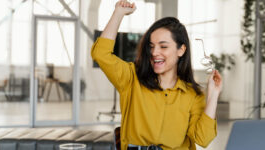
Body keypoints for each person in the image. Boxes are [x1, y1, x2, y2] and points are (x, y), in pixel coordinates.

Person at [91, 0, 222, 149]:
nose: (154, 52)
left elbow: (203, 139)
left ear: (181, 50)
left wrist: (213, 95)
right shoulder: (131, 78)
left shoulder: (193, 95)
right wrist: (118, 14)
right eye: (151, 46)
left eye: (163, 46)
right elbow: (100, 54)